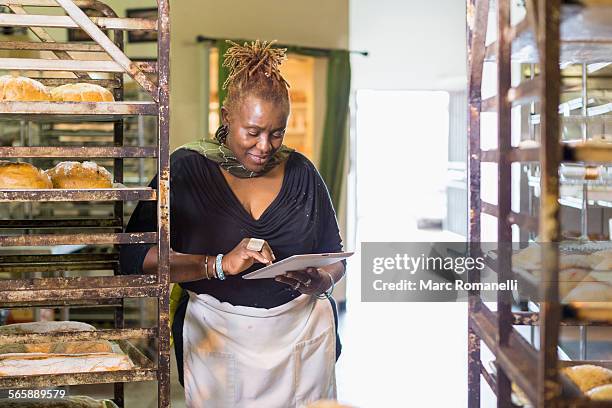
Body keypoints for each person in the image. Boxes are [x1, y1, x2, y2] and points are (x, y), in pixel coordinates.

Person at [120, 40, 346, 408]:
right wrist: (217, 264)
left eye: (277, 133)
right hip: (218, 337)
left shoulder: (303, 173)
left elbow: (336, 257)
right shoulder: (186, 168)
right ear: (226, 117)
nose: (265, 145)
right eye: (253, 131)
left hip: (302, 336)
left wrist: (323, 279)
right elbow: (134, 257)